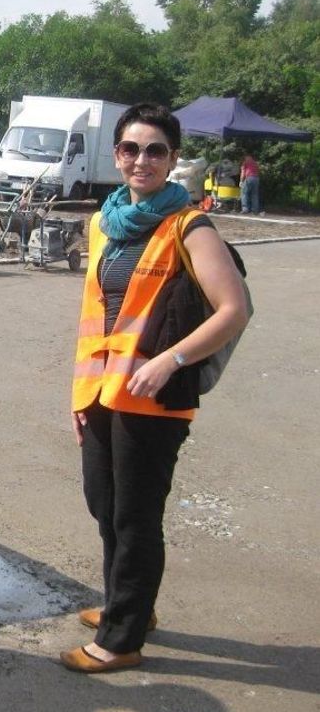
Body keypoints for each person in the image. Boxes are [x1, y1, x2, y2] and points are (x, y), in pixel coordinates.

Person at [64, 103, 249, 673]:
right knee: (105, 503)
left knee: (136, 516)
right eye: (130, 149)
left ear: (172, 158)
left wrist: (171, 360)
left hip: (152, 398)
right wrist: (79, 396)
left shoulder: (188, 225)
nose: (141, 160)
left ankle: (122, 641)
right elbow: (99, 312)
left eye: (155, 150)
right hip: (100, 391)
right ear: (116, 155)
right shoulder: (103, 222)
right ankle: (130, 607)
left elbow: (234, 309)